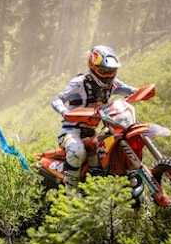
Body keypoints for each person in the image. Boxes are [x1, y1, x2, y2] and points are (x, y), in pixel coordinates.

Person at [51, 45, 136, 189]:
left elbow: (132, 90)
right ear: (93, 67)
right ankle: (70, 191)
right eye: (104, 71)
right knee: (77, 151)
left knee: (111, 149)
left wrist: (143, 92)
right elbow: (56, 99)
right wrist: (65, 112)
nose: (108, 75)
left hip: (93, 131)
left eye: (112, 71)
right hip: (71, 131)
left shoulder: (113, 84)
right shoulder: (79, 83)